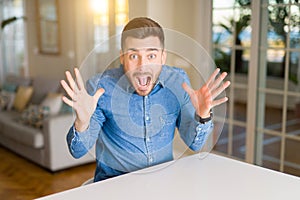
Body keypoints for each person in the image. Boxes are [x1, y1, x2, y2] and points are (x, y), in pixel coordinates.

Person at [61, 17, 230, 182]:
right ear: (122, 57)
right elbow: (77, 151)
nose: (142, 65)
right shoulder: (101, 87)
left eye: (151, 56)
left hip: (161, 184)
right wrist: (81, 123)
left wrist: (203, 115)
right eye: (134, 56)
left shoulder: (178, 82)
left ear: (163, 57)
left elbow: (195, 144)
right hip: (114, 187)